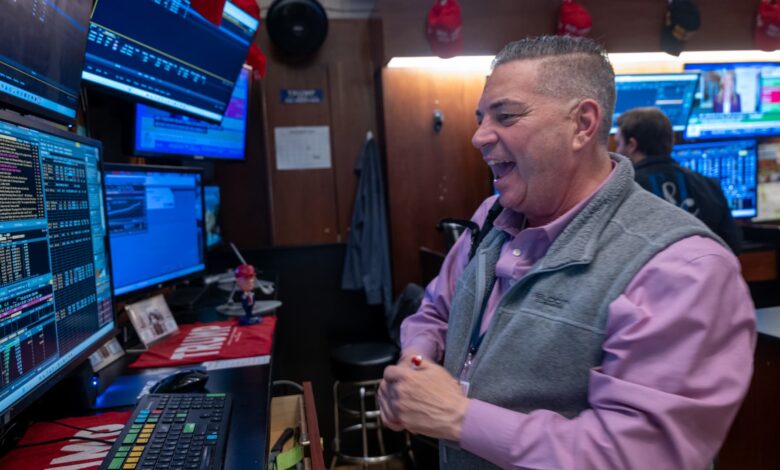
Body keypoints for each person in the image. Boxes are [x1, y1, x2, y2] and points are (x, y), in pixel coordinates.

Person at [378, 35, 755, 469]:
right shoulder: (491, 217)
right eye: (481, 118)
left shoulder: (683, 267)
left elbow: (638, 456)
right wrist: (416, 364)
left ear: (582, 124)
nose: (478, 137)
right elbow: (436, 310)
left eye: (506, 116)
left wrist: (458, 417)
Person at [616, 106, 743, 254]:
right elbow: (732, 245)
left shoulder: (627, 189)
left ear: (632, 145)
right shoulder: (710, 185)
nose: (617, 151)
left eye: (618, 143)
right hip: (706, 267)